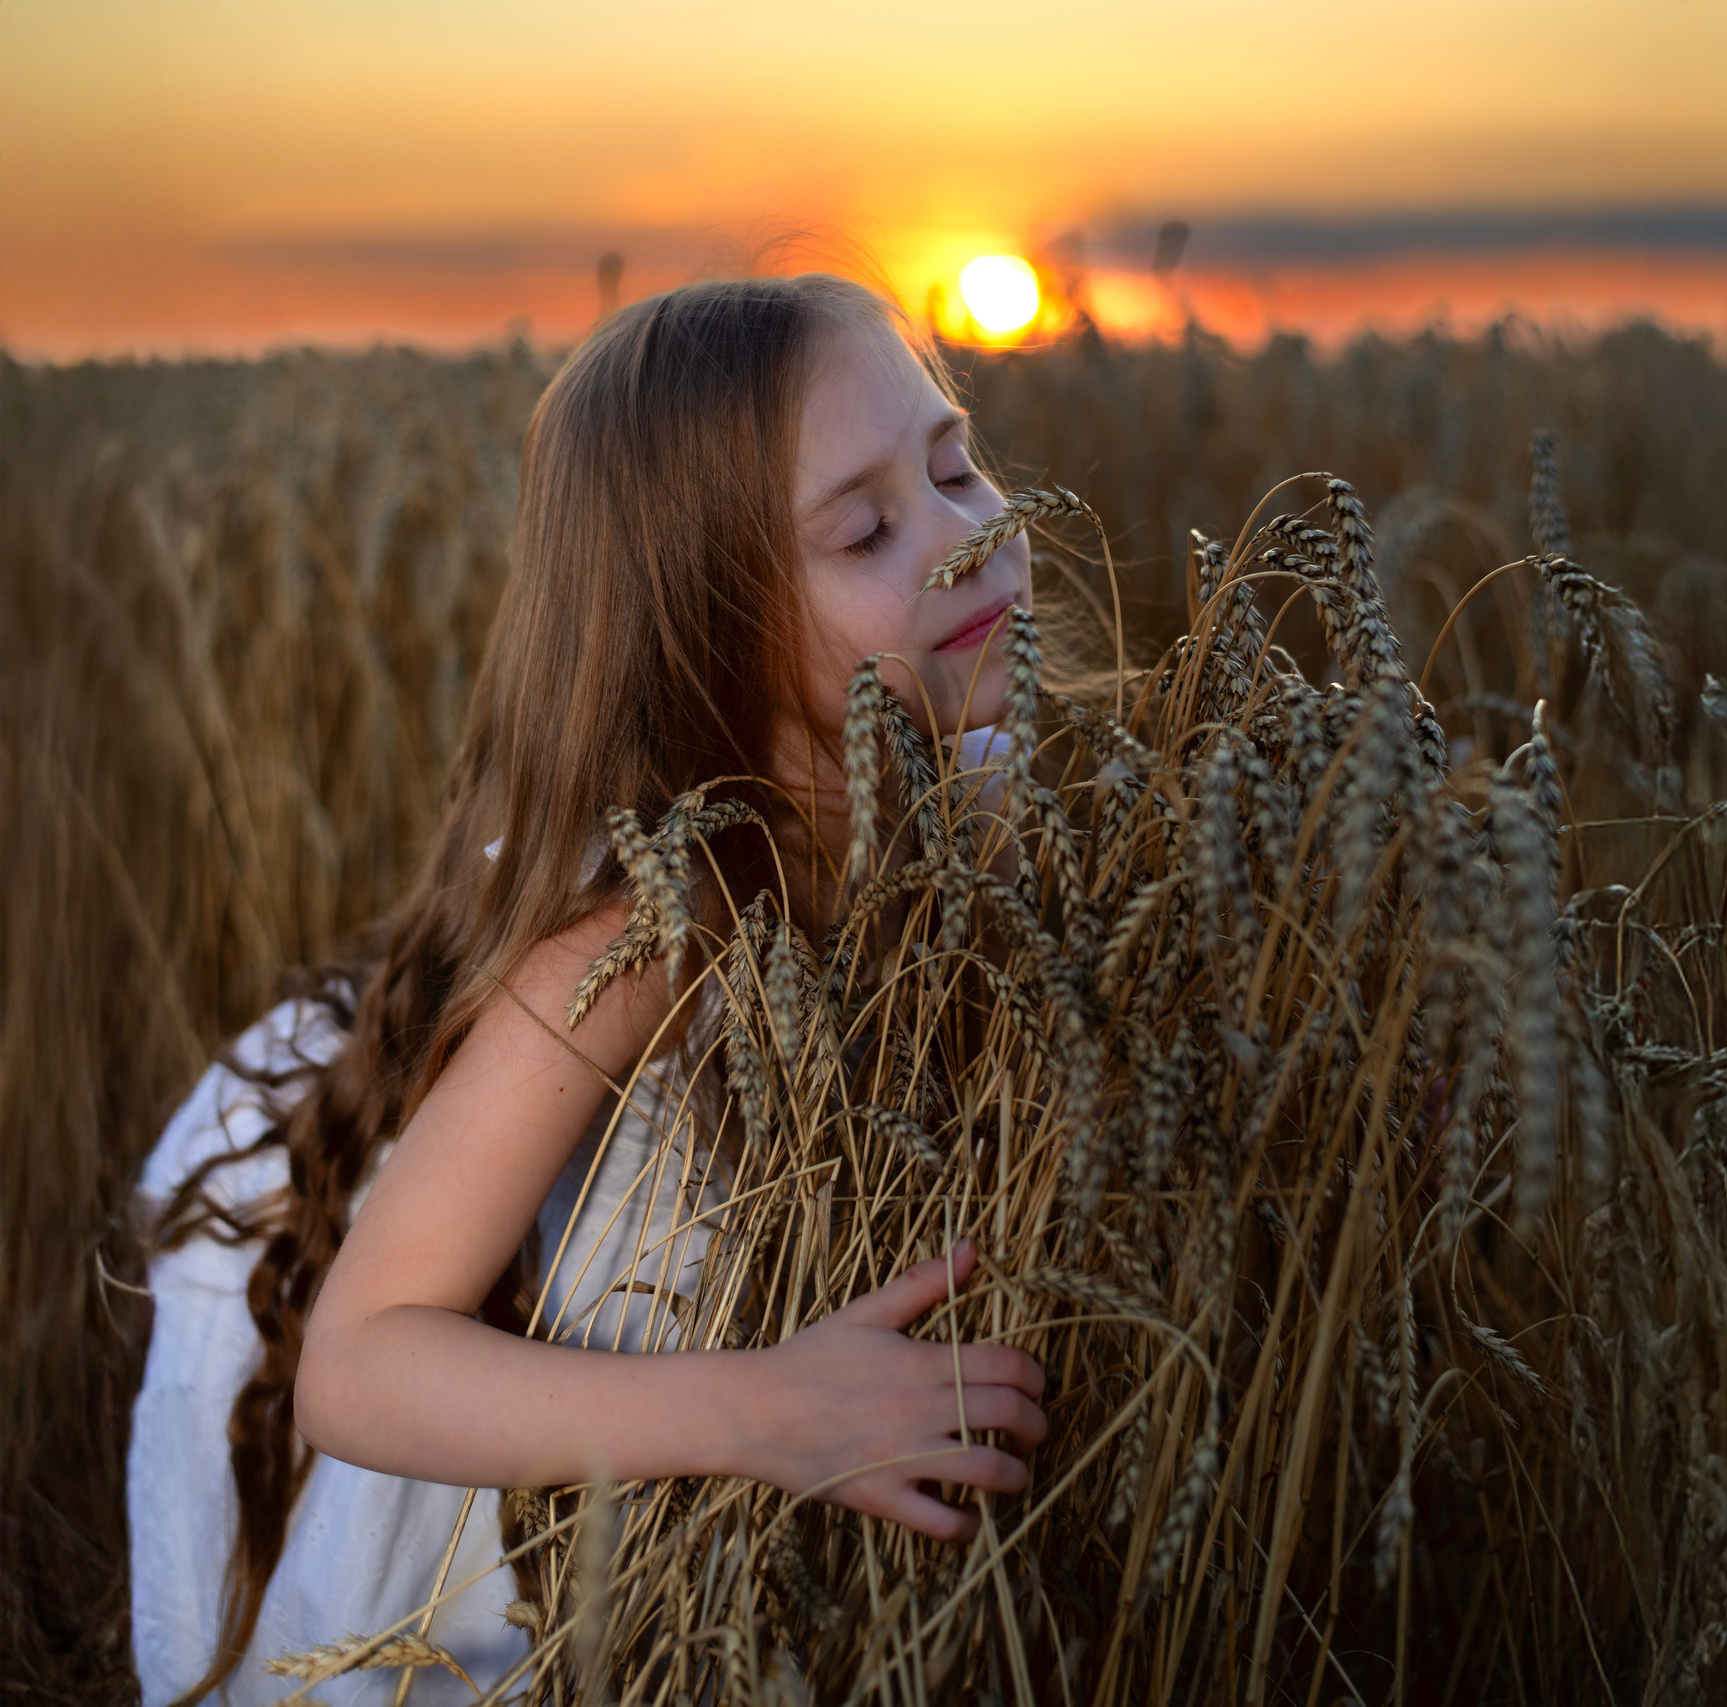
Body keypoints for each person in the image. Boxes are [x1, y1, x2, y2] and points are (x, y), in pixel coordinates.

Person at [128, 275, 1053, 1705]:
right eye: (868, 528)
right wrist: (766, 1410)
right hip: (443, 1267)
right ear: (710, 619)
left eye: (955, 461)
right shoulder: (650, 922)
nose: (967, 535)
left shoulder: (982, 787)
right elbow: (360, 1367)